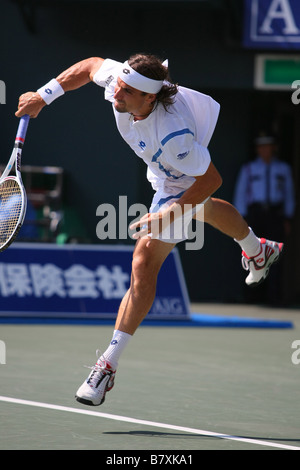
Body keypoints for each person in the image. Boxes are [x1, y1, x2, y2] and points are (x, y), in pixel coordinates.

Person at [16, 54, 284, 407]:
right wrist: (43, 95)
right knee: (203, 212)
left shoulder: (176, 136)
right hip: (161, 166)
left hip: (183, 173)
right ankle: (257, 249)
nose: (117, 95)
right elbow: (91, 65)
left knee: (144, 260)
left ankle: (106, 366)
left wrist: (168, 212)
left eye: (127, 92)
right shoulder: (120, 85)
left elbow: (212, 180)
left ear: (149, 99)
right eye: (119, 86)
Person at [233, 131, 295, 304]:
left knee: (276, 254)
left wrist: (287, 218)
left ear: (273, 148)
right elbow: (241, 193)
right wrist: (242, 219)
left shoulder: (283, 169)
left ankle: (274, 297)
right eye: (261, 146)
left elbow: (289, 194)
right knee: (251, 252)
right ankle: (251, 296)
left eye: (267, 146)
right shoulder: (249, 168)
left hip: (275, 214)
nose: (264, 150)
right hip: (255, 214)